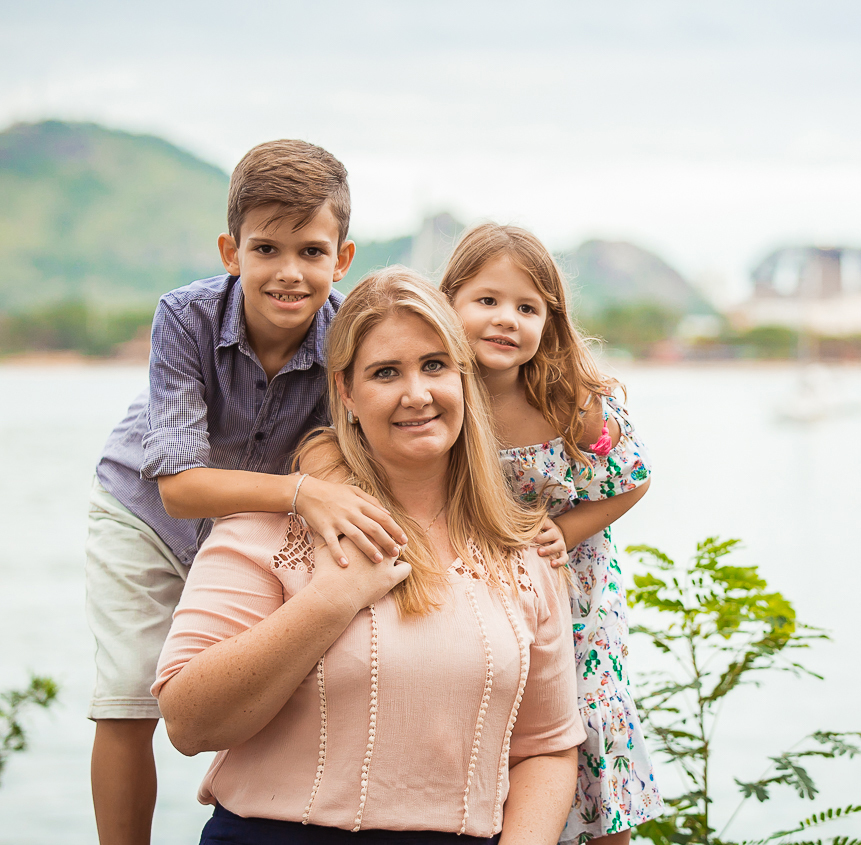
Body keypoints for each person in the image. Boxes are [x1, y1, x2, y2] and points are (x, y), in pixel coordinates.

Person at [153, 267, 585, 843]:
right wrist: (334, 599)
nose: (417, 394)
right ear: (347, 394)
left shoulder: (522, 553)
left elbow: (547, 749)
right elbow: (187, 723)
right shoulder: (264, 531)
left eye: (435, 365)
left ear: (464, 379)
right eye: (386, 373)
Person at [86, 140, 407, 845]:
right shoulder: (186, 316)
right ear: (232, 251)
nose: (289, 272)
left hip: (251, 528)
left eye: (312, 251)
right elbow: (177, 488)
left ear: (342, 259)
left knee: (279, 672)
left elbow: (347, 446)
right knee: (129, 697)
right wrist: (301, 492)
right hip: (143, 513)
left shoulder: (349, 331)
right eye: (267, 249)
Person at [441, 224, 663, 843]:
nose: (505, 319)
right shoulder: (436, 396)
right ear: (449, 301)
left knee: (588, 714)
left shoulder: (571, 403)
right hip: (482, 588)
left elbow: (633, 479)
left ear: (550, 322)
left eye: (526, 307)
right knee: (501, 719)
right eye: (486, 300)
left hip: (573, 593)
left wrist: (566, 531)